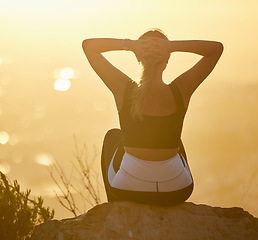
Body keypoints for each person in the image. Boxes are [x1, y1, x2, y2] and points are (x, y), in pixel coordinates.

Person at [82, 29, 223, 206]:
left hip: (128, 189)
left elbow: (88, 46)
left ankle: (115, 208)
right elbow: (216, 49)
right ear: (167, 60)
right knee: (177, 143)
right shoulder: (180, 90)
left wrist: (130, 45)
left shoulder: (123, 88)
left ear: (138, 58)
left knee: (113, 136)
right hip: (177, 191)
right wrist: (170, 46)